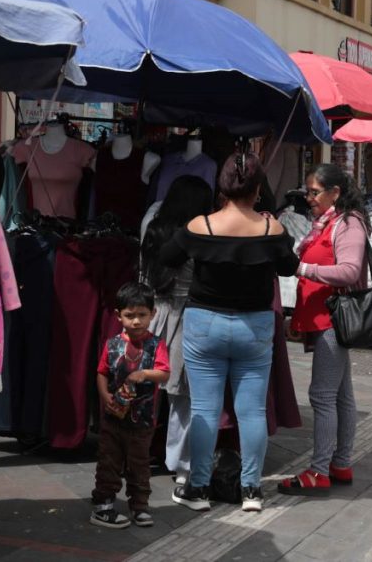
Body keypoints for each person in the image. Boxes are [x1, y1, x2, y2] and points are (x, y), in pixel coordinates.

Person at [161, 151, 299, 513]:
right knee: (250, 410)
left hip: (205, 322)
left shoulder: (200, 226)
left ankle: (199, 487)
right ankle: (251, 490)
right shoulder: (271, 228)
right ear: (257, 189)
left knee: (205, 409)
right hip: (254, 326)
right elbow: (289, 267)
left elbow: (167, 256)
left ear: (221, 188)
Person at [278, 164, 370, 496]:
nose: (309, 197)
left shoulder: (348, 224)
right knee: (342, 395)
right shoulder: (328, 222)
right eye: (307, 191)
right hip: (323, 319)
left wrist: (303, 268)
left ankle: (319, 471)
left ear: (335, 193)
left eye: (314, 192)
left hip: (332, 320)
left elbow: (348, 271)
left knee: (322, 396)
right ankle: (340, 463)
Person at [140, 176, 215, 488]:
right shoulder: (199, 235)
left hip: (150, 314)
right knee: (183, 397)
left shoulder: (153, 225)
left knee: (143, 392)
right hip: (186, 317)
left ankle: (134, 455)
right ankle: (180, 463)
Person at [91, 282, 170, 529]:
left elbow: (164, 373)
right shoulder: (113, 344)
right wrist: (105, 395)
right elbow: (102, 372)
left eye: (142, 315)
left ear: (152, 314)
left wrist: (145, 374)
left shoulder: (156, 344)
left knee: (139, 464)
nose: (136, 321)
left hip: (143, 421)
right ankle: (103, 505)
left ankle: (139, 506)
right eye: (130, 316)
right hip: (113, 417)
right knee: (109, 461)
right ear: (119, 315)